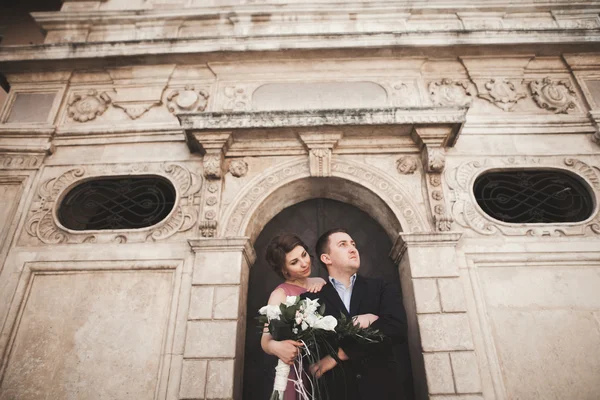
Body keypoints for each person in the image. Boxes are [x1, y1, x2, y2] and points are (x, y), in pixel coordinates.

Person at [304, 228, 407, 400]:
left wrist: (338, 355)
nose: (352, 249)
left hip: (382, 391)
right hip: (337, 393)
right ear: (326, 258)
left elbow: (396, 329)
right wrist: (372, 322)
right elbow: (313, 347)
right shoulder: (310, 300)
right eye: (342, 245)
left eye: (353, 244)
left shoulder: (381, 287)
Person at [261, 233, 327, 400]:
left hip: (325, 365)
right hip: (296, 370)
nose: (304, 263)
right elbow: (265, 340)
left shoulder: (320, 281)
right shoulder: (279, 295)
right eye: (294, 262)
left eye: (304, 255)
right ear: (284, 270)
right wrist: (277, 347)